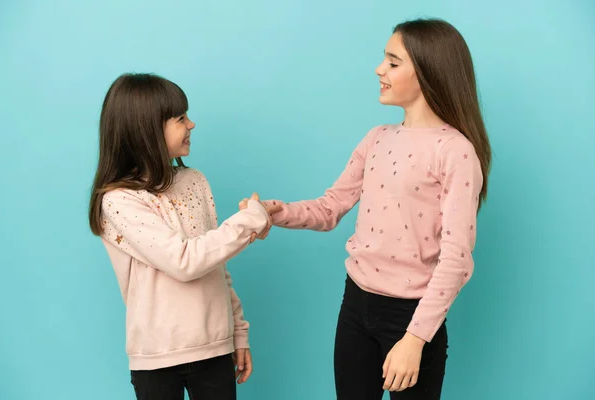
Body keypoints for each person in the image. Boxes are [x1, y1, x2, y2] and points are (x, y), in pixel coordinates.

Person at [243, 18, 492, 399]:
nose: (380, 69)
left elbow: (456, 259)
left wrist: (415, 339)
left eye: (393, 62)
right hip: (355, 303)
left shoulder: (454, 151)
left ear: (428, 70)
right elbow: (330, 208)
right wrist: (274, 213)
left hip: (412, 316)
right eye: (384, 60)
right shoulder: (377, 139)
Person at [88, 73, 279, 400]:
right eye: (180, 118)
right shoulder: (119, 200)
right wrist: (249, 222)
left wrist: (239, 333)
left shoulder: (194, 181)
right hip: (159, 358)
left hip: (215, 349)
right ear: (146, 129)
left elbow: (215, 264)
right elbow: (185, 262)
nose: (191, 125)